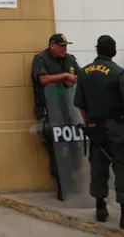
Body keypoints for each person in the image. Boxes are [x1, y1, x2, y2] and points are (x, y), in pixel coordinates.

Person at [74, 35, 124, 231]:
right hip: (116, 127)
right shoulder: (118, 73)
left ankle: (100, 208)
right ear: (114, 52)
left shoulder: (83, 73)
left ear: (97, 50)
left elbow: (80, 104)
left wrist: (89, 123)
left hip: (95, 127)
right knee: (122, 166)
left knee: (98, 166)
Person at [30, 33, 80, 201]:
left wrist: (72, 80)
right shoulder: (41, 59)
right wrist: (63, 76)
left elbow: (78, 77)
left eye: (66, 45)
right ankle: (62, 184)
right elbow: (43, 79)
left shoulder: (70, 59)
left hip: (70, 111)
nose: (65, 48)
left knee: (76, 146)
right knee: (57, 150)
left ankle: (72, 179)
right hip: (51, 112)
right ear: (52, 45)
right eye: (62, 45)